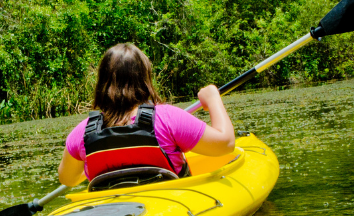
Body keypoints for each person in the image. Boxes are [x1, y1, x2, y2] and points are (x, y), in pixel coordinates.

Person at [58, 43, 235, 186]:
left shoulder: (82, 132)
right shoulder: (168, 118)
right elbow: (226, 144)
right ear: (144, 79)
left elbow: (68, 180)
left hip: (111, 214)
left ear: (102, 83)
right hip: (170, 209)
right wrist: (213, 98)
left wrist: (96, 162)